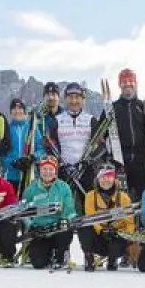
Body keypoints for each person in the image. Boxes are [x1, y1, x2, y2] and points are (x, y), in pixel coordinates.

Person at [19, 156, 77, 270]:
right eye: (44, 169)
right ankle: (46, 254)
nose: (47, 172)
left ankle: (61, 254)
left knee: (65, 230)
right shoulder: (31, 189)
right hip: (40, 229)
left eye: (50, 169)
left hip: (57, 228)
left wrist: (65, 219)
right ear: (40, 170)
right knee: (38, 264)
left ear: (55, 171)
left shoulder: (63, 187)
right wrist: (30, 225)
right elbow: (23, 211)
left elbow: (69, 209)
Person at [50, 82, 100, 210]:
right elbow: (50, 146)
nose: (74, 101)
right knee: (63, 206)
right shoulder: (57, 120)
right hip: (64, 170)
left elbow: (101, 146)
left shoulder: (90, 120)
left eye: (77, 97)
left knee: (89, 206)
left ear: (82, 99)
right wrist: (62, 165)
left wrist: (88, 161)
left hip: (85, 170)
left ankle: (90, 229)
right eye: (70, 97)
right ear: (66, 99)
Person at [78, 163, 134, 272]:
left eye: (109, 176)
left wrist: (124, 234)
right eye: (102, 177)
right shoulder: (90, 196)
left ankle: (113, 259)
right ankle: (89, 257)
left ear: (114, 179)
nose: (105, 180)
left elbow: (130, 223)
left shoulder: (123, 197)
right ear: (97, 179)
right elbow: (90, 218)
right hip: (98, 237)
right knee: (83, 225)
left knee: (117, 243)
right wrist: (101, 230)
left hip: (116, 235)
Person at [113, 68, 145, 199]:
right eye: (124, 84)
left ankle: (144, 219)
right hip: (121, 161)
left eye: (131, 83)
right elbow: (101, 134)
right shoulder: (113, 108)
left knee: (144, 197)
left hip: (141, 161)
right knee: (122, 198)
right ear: (120, 85)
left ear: (135, 84)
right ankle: (124, 220)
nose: (128, 87)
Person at [5, 98, 41, 191]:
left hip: (30, 174)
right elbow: (2, 153)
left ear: (24, 111)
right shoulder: (6, 129)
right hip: (12, 176)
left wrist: (33, 157)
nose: (17, 111)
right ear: (10, 111)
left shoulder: (32, 128)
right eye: (14, 108)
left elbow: (42, 148)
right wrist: (12, 162)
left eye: (20, 108)